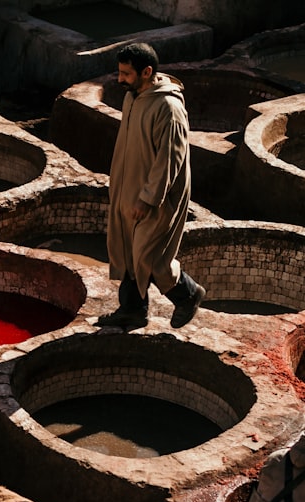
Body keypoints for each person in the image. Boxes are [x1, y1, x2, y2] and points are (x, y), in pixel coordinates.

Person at [97, 42, 205, 330]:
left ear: (147, 72)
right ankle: (132, 311)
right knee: (128, 251)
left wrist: (148, 199)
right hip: (127, 188)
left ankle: (188, 294)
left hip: (157, 196)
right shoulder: (133, 97)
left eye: (126, 74)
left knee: (150, 255)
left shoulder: (168, 108)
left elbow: (169, 160)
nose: (120, 79)